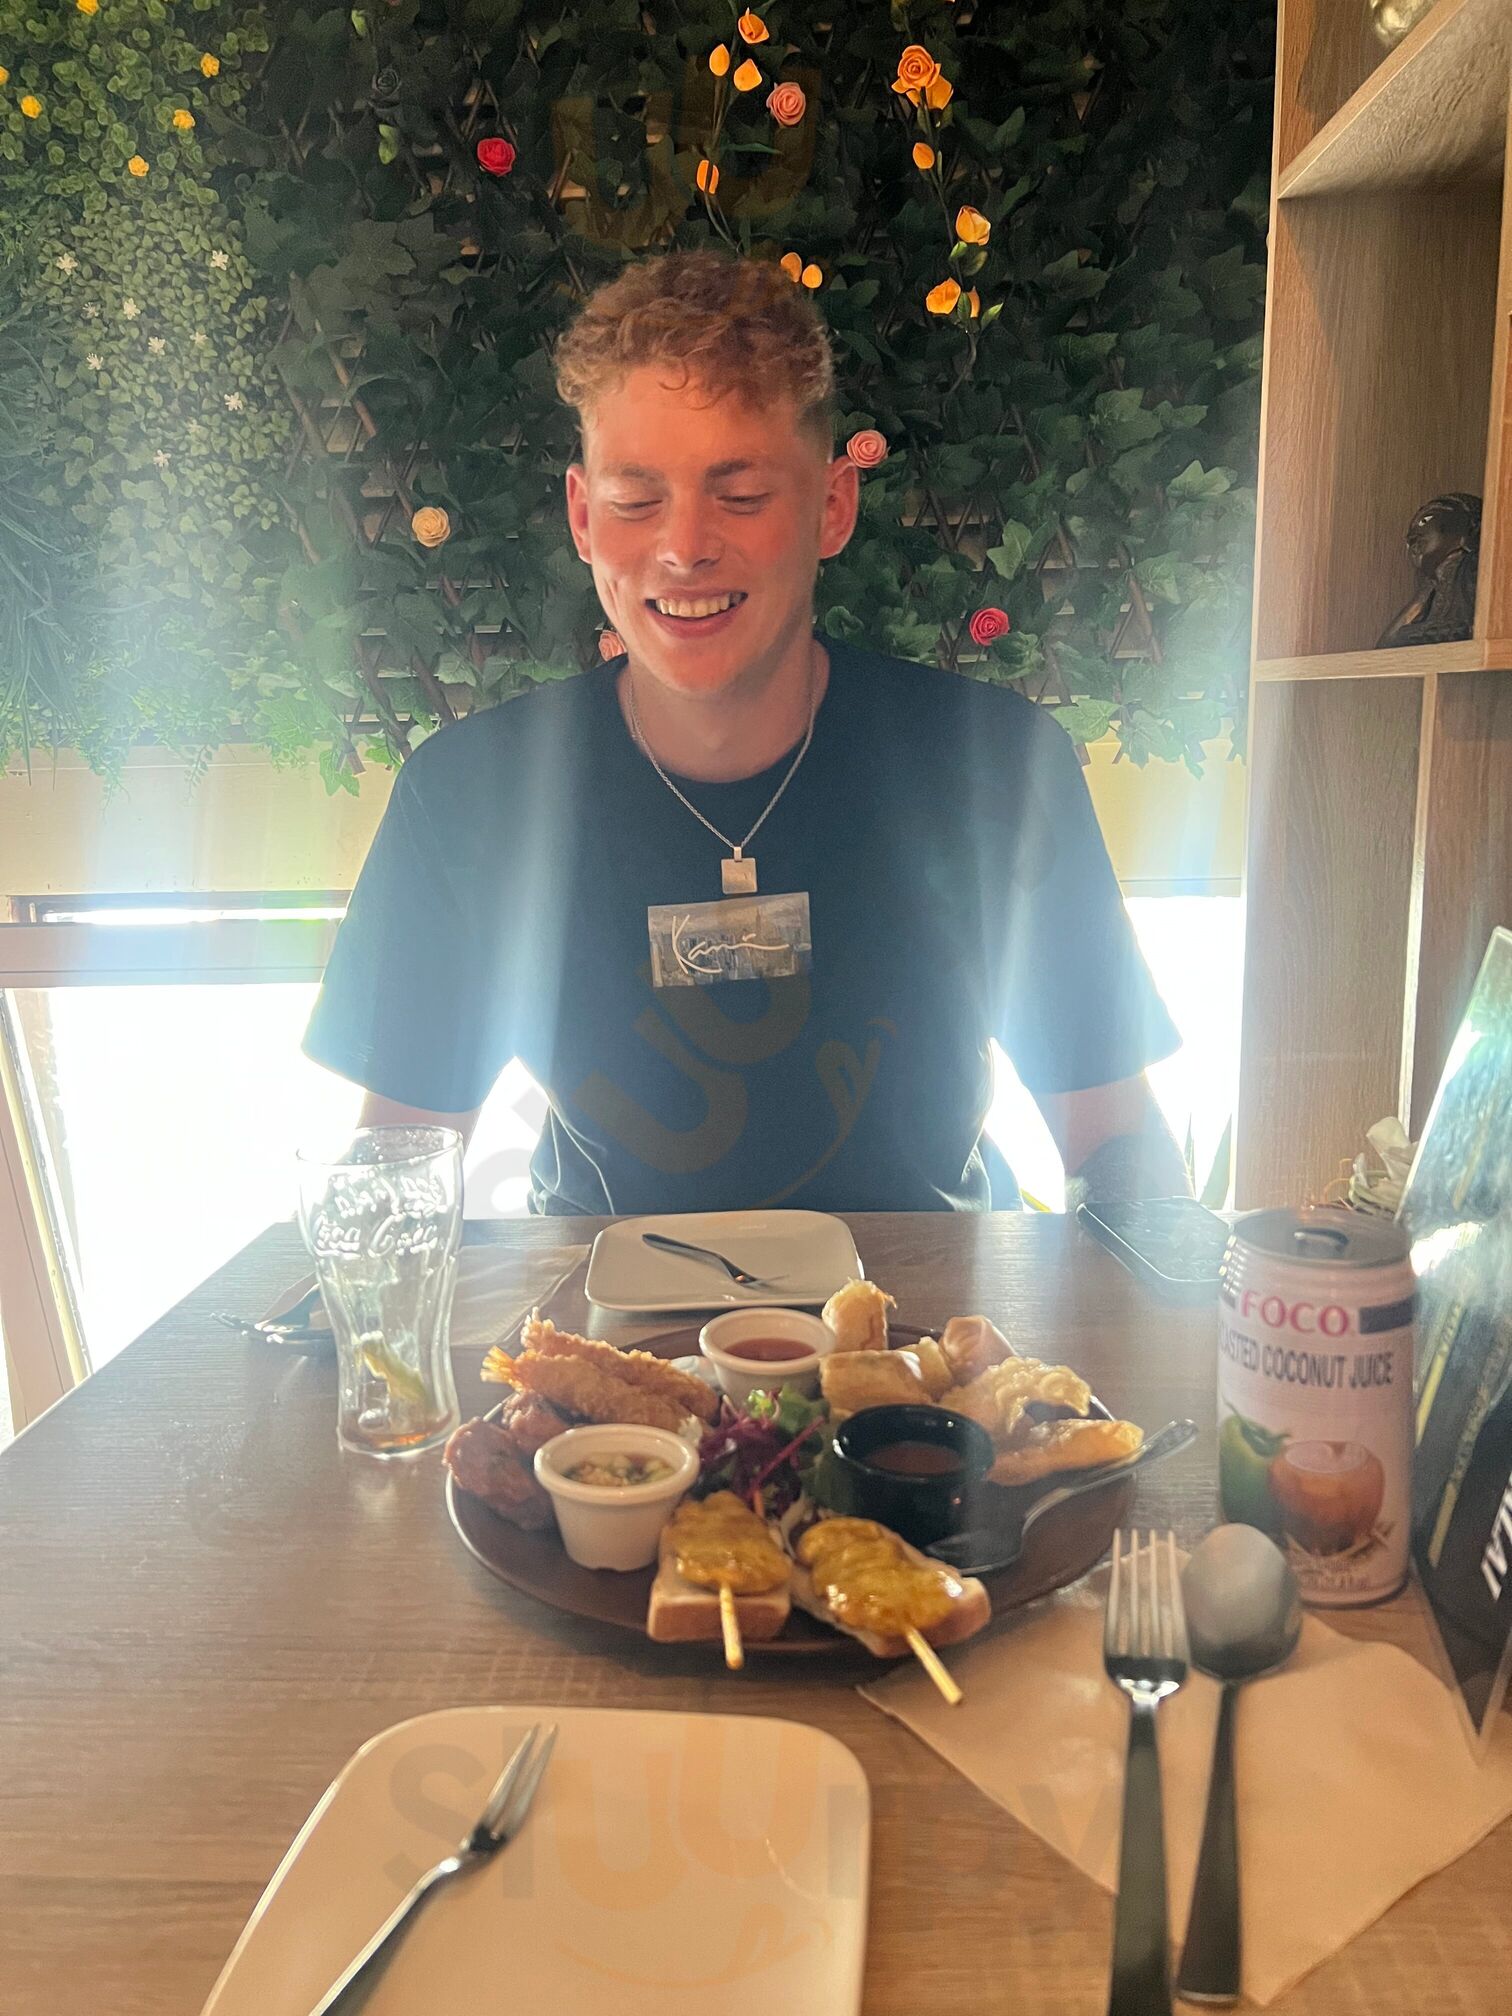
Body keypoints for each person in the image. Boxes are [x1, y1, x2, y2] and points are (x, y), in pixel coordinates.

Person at [303, 248, 1188, 1213]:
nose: (684, 548)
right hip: (597, 1300)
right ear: (584, 519)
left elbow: (1117, 1140)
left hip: (924, 1302)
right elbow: (396, 1171)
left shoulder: (995, 769)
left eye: (742, 496)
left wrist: (1170, 1274)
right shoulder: (469, 796)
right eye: (636, 501)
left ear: (832, 508)